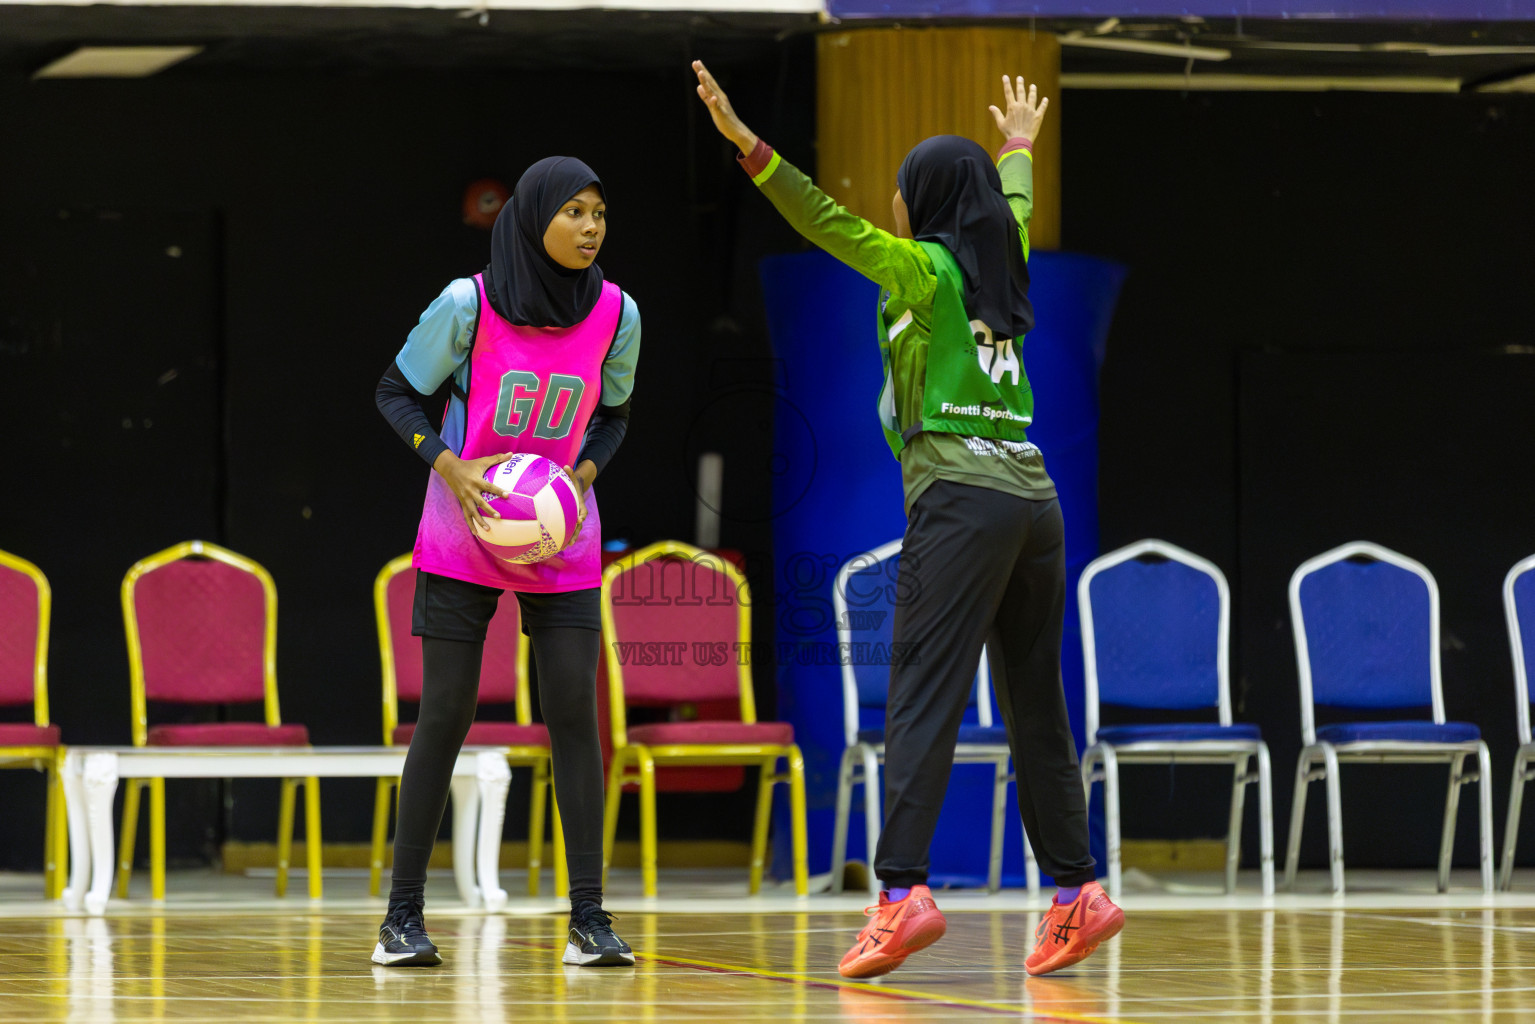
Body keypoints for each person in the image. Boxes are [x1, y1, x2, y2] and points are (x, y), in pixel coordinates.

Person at [692, 62, 1123, 978]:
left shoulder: (921, 267)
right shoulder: (1001, 258)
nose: (888, 198)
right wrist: (1015, 148)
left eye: (900, 184)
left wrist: (749, 148)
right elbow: (1008, 202)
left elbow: (826, 220)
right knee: (1037, 706)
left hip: (962, 498)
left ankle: (897, 896)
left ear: (924, 202)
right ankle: (1077, 892)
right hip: (1034, 499)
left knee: (921, 697)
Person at [371, 156, 640, 968]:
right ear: (532, 219)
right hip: (464, 526)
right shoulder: (470, 303)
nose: (591, 228)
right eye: (575, 213)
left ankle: (589, 920)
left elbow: (615, 418)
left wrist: (578, 481)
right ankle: (401, 920)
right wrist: (447, 465)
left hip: (561, 536)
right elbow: (394, 391)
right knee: (446, 711)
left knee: (572, 714)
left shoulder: (619, 313)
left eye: (599, 213)